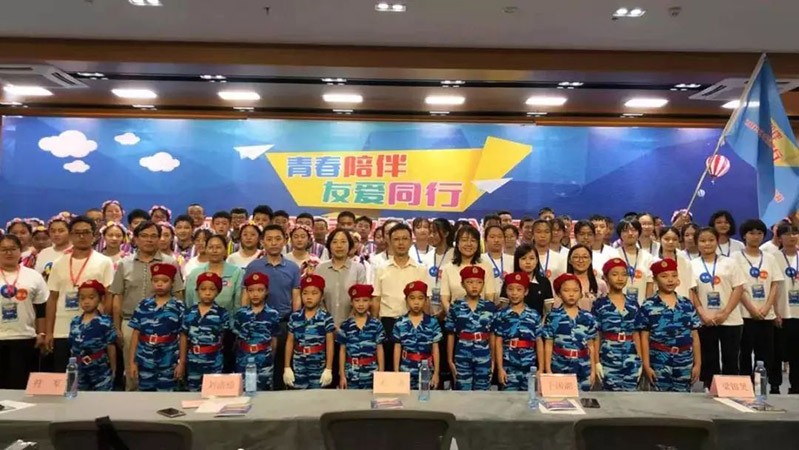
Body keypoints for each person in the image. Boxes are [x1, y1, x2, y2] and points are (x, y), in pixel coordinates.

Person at [111, 221, 184, 390]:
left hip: (165, 327)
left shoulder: (170, 262)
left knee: (166, 374)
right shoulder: (124, 264)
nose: (149, 240)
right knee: (133, 373)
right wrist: (117, 327)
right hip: (130, 325)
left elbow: (178, 294)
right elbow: (117, 296)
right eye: (144, 236)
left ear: (159, 239)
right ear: (135, 239)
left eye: (153, 236)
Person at [45, 216, 114, 373]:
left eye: (86, 232)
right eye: (77, 233)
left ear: (94, 235)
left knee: (91, 376)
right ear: (70, 235)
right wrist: (49, 332)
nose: (82, 236)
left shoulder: (104, 262)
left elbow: (108, 295)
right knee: (63, 376)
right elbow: (52, 298)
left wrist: (105, 323)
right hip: (62, 329)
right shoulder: (58, 263)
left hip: (93, 328)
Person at [244, 224, 301, 390]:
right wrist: (245, 318)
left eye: (278, 239)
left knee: (282, 366)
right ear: (262, 242)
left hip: (284, 323)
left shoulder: (292, 267)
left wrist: (296, 322)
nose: (274, 243)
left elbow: (296, 296)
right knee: (258, 366)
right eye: (269, 239)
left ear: (284, 241)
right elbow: (246, 294)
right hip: (258, 323)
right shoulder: (254, 266)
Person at [690, 227, 745, 388]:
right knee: (709, 357)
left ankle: (731, 389)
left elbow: (739, 288)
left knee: (731, 356)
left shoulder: (730, 263)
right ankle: (709, 387)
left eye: (711, 240)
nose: (707, 244)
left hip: (731, 319)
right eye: (702, 240)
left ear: (717, 241)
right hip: (705, 319)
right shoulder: (691, 265)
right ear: (696, 243)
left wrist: (725, 312)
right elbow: (691, 291)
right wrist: (702, 313)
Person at [637, 258, 702, 392]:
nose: (670, 280)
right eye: (664, 276)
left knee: (683, 399)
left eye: (674, 275)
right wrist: (646, 365)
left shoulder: (686, 304)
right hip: (659, 360)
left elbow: (694, 335)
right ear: (655, 279)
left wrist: (698, 363)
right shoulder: (648, 305)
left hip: (684, 361)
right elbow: (644, 337)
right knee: (659, 400)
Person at [733, 219, 782, 390]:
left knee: (765, 354)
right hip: (744, 314)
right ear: (744, 235)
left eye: (759, 233)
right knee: (744, 353)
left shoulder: (770, 258)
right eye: (751, 233)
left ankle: (761, 387)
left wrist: (768, 307)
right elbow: (737, 286)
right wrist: (751, 308)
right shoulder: (735, 257)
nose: (755, 236)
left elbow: (775, 284)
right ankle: (745, 388)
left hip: (766, 315)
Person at [372, 223, 429, 371]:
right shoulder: (381, 269)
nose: (401, 243)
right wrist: (375, 325)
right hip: (388, 323)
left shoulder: (421, 269)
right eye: (396, 239)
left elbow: (426, 300)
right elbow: (376, 299)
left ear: (411, 241)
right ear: (389, 242)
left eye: (405, 239)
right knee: (389, 368)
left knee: (412, 367)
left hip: (413, 323)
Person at [184, 234, 243, 372]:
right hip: (198, 331)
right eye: (211, 247)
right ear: (205, 249)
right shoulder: (195, 273)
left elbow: (238, 303)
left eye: (218, 247)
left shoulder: (236, 272)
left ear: (225, 250)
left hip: (227, 330)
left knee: (224, 372)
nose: (214, 250)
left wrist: (235, 328)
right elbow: (189, 301)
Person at [127, 263, 186, 392]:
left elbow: (183, 336)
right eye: (156, 281)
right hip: (145, 359)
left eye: (165, 281)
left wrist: (181, 363)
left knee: (167, 395)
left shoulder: (178, 306)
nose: (160, 284)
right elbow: (136, 334)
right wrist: (132, 362)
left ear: (172, 282)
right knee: (145, 395)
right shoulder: (143, 305)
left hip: (168, 360)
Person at [0, 234, 49, 389]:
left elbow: (41, 308)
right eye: (4, 249)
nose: (9, 253)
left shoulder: (33, 276)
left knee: (22, 386)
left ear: (20, 251)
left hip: (26, 337)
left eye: (13, 249)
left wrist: (42, 333)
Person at [591, 258, 642, 391]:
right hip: (608, 356)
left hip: (631, 356)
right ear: (605, 278)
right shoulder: (600, 304)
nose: (620, 278)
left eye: (624, 274)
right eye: (614, 274)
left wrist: (640, 359)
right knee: (609, 396)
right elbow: (596, 335)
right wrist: (596, 362)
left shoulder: (633, 304)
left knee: (631, 396)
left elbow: (636, 333)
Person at [445, 266, 496, 391]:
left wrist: (493, 360)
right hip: (462, 353)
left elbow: (492, 335)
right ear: (462, 284)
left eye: (479, 282)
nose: (474, 286)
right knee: (462, 392)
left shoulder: (489, 307)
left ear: (483, 284)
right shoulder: (456, 307)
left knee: (482, 392)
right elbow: (451, 334)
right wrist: (450, 360)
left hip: (483, 354)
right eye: (470, 282)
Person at [543, 273, 597, 391]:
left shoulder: (588, 317)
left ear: (581, 293)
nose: (571, 294)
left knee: (583, 399)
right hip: (560, 366)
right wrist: (548, 370)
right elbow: (548, 344)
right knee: (560, 399)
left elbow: (591, 345)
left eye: (575, 290)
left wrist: (593, 371)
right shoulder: (553, 317)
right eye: (566, 290)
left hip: (583, 367)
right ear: (559, 294)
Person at [493, 272, 543, 391]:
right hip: (509, 367)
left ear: (526, 292)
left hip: (529, 367)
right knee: (508, 399)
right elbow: (498, 342)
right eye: (510, 289)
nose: (514, 293)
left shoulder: (534, 315)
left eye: (519, 289)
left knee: (529, 398)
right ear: (506, 291)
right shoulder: (501, 315)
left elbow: (539, 341)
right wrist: (500, 368)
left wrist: (541, 368)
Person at [283, 274, 334, 389]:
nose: (309, 297)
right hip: (299, 364)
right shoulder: (295, 317)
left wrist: (328, 368)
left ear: (322, 296)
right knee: (299, 396)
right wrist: (287, 367)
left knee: (317, 397)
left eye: (314, 293)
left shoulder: (326, 317)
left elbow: (330, 344)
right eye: (305, 293)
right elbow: (290, 342)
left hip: (318, 365)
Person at [182, 271, 229, 392]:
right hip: (193, 360)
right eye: (203, 289)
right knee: (193, 393)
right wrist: (182, 361)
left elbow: (223, 336)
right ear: (197, 291)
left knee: (214, 393)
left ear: (218, 292)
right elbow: (183, 336)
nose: (207, 293)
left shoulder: (222, 313)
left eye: (212, 289)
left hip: (214, 361)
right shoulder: (189, 313)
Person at [233, 272, 279, 391]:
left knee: (264, 392)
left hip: (264, 359)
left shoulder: (273, 314)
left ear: (266, 291)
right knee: (243, 391)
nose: (255, 294)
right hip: (243, 360)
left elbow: (274, 340)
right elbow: (237, 339)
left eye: (260, 290)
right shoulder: (241, 313)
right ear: (247, 292)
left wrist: (269, 357)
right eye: (251, 290)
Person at [69, 279, 116, 391]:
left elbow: (111, 347)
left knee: (102, 398)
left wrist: (113, 369)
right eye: (82, 298)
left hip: (100, 369)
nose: (86, 302)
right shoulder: (75, 322)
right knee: (79, 397)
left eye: (91, 298)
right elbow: (72, 349)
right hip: (79, 370)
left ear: (100, 299)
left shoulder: (105, 322)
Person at [393, 280, 442, 389]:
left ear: (426, 300)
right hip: (405, 369)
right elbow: (397, 348)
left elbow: (435, 349)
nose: (416, 302)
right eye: (412, 298)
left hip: (426, 369)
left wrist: (436, 373)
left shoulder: (432, 322)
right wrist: (396, 372)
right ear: (406, 300)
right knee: (406, 398)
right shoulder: (400, 323)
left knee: (425, 397)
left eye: (420, 298)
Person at [336, 284, 385, 389]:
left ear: (370, 302)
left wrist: (381, 373)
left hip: (371, 373)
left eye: (365, 300)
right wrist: (342, 376)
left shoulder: (376, 324)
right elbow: (342, 351)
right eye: (357, 300)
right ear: (351, 302)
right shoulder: (345, 325)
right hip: (351, 373)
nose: (361, 304)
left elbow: (379, 349)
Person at [440, 225, 497, 314]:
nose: (469, 244)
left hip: (481, 318)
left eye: (473, 240)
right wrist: (454, 316)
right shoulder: (447, 268)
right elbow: (445, 299)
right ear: (457, 243)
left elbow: (489, 297)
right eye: (464, 240)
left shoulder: (486, 266)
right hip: (456, 317)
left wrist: (480, 317)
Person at [317, 229, 366, 328]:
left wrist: (347, 324)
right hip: (324, 326)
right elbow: (317, 300)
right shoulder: (320, 268)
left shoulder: (358, 268)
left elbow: (362, 299)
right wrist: (329, 324)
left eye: (343, 242)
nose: (339, 246)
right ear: (329, 245)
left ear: (350, 245)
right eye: (335, 242)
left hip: (352, 326)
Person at [774, 223, 799, 393]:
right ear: (779, 237)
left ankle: (796, 386)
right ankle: (774, 386)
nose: (792, 237)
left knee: (797, 353)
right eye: (787, 234)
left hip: (798, 313)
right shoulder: (772, 257)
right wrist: (774, 311)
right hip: (781, 312)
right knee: (777, 352)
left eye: (795, 233)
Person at [500, 244, 553, 316]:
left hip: (537, 321)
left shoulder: (544, 282)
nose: (528, 262)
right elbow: (503, 308)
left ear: (537, 260)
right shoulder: (509, 280)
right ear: (517, 261)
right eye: (523, 258)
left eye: (531, 258)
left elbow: (548, 311)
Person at [616, 218, 654, 304]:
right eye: (625, 231)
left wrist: (647, 307)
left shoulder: (648, 257)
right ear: (620, 234)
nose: (630, 233)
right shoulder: (613, 255)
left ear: (639, 233)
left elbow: (650, 284)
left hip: (641, 306)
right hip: (617, 307)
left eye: (633, 230)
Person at [560, 244, 607, 311]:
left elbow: (605, 309)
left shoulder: (600, 284)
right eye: (576, 257)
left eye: (585, 257)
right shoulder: (562, 284)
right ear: (569, 260)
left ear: (591, 260)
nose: (581, 260)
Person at [657, 226, 697, 300]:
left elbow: (690, 287)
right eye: (667, 239)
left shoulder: (685, 262)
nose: (671, 242)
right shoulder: (653, 262)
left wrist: (690, 305)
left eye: (675, 239)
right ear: (660, 240)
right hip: (660, 304)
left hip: (683, 303)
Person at [34, 214, 72, 280]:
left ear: (70, 232)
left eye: (61, 231)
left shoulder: (76, 251)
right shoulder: (44, 253)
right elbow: (38, 277)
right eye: (53, 231)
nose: (56, 234)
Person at [484, 225, 514, 294]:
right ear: (485, 240)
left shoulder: (512, 260)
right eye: (492, 237)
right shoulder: (480, 259)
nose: (496, 240)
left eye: (500, 237)